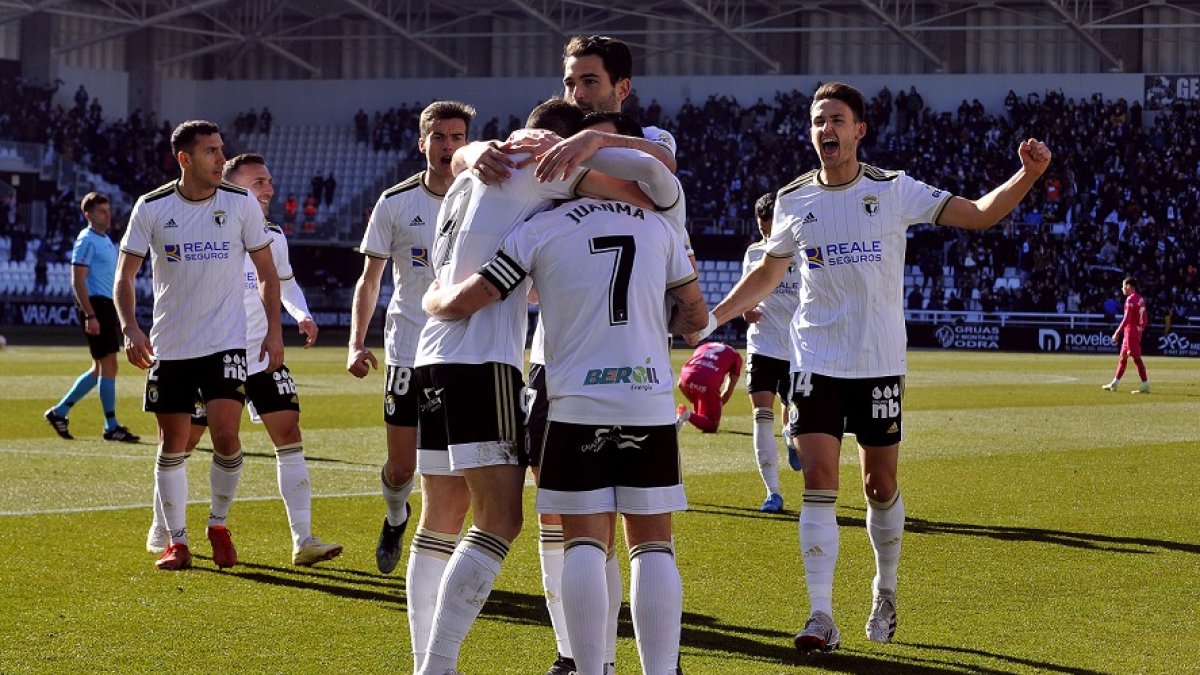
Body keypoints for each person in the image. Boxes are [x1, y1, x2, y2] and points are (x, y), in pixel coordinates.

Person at [694, 82, 1051, 653]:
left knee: (878, 485)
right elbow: (766, 274)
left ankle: (885, 587)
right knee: (818, 482)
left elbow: (981, 215)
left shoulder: (894, 190)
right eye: (817, 121)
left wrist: (1028, 175)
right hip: (814, 359)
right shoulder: (792, 199)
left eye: (836, 119)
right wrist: (712, 318)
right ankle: (820, 615)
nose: (825, 129)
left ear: (859, 129)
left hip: (879, 362)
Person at [410, 99, 664, 675]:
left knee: (440, 519)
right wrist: (598, 151)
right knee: (500, 520)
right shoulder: (540, 162)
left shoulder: (466, 177)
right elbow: (643, 195)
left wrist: (475, 149)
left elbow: (459, 168)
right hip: (481, 358)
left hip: (431, 358)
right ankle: (439, 666)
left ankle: (431, 660)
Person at [144, 152, 341, 567]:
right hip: (213, 353)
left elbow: (284, 283)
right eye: (258, 183)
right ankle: (164, 526)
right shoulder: (214, 227)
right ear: (231, 187)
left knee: (288, 432)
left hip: (260, 354)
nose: (268, 190)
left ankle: (303, 539)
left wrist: (301, 313)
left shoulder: (273, 235)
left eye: (268, 182)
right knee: (182, 441)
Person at [114, 120, 283, 571]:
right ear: (184, 159)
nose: (221, 159)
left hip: (225, 343)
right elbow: (124, 276)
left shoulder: (241, 202)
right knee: (173, 444)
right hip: (170, 346)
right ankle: (177, 541)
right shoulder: (151, 207)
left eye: (221, 149)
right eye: (210, 151)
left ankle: (219, 524)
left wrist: (274, 330)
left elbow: (267, 273)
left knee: (227, 437)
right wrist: (130, 328)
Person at [347, 100, 474, 671]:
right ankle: (396, 517)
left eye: (459, 135)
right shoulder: (395, 203)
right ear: (422, 141)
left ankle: (436, 556)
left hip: (466, 356)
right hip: (407, 354)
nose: (450, 145)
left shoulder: (482, 197)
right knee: (402, 470)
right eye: (440, 135)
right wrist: (356, 341)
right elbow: (371, 278)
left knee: (450, 474)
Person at [44, 192, 140, 443]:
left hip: (105, 306)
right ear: (88, 214)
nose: (107, 216)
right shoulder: (86, 240)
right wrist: (90, 314)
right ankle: (111, 426)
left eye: (108, 211)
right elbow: (77, 280)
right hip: (96, 306)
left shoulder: (104, 240)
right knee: (109, 366)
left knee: (100, 368)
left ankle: (60, 412)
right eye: (102, 211)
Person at [739, 192, 801, 512]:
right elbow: (746, 293)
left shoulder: (802, 254)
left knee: (795, 417)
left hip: (797, 349)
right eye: (761, 229)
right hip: (762, 344)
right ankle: (772, 492)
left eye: (770, 229)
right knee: (761, 416)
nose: (766, 235)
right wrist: (744, 311)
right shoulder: (753, 253)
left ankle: (791, 434)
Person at [1102, 276, 1150, 393]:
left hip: (1130, 332)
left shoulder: (1130, 299)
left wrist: (1117, 332)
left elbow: (1126, 319)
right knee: (1123, 357)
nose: (1122, 288)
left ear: (1128, 287)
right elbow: (1145, 318)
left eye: (1123, 286)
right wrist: (1140, 329)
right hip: (1134, 331)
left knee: (1136, 358)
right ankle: (1114, 383)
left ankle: (1145, 385)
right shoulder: (1140, 298)